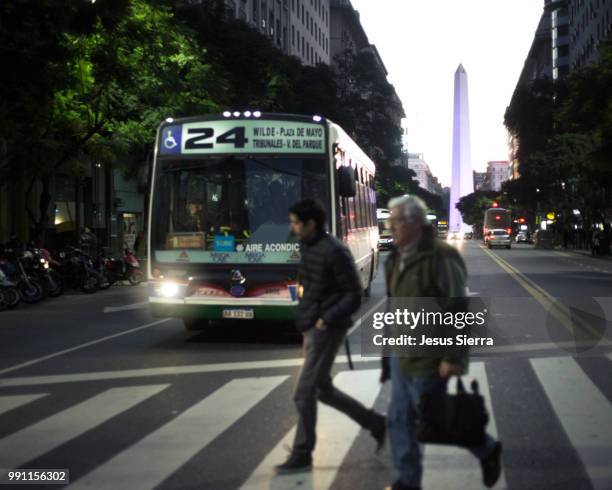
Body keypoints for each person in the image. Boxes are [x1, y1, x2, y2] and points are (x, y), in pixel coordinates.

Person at [382, 195, 502, 490]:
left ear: (414, 223)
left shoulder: (441, 255)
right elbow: (393, 306)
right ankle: (407, 481)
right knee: (399, 420)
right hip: (401, 354)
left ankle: (486, 449)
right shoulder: (395, 257)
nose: (390, 227)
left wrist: (454, 357)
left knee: (436, 422)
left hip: (429, 356)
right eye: (390, 222)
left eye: (395, 221)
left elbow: (458, 308)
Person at [275, 198, 386, 473]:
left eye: (296, 223)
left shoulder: (335, 251)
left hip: (327, 329)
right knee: (322, 390)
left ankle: (302, 453)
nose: (293, 228)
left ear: (311, 223)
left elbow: (353, 293)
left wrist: (326, 318)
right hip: (312, 325)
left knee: (304, 393)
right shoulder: (309, 245)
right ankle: (376, 424)